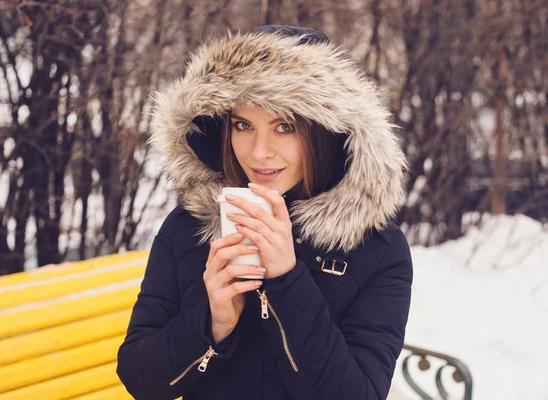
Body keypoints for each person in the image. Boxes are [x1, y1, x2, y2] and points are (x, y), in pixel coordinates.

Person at [117, 25, 413, 400]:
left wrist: (287, 280)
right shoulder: (189, 226)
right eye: (243, 125)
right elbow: (139, 379)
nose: (259, 152)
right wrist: (213, 322)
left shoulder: (376, 248)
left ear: (325, 132)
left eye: (284, 127)